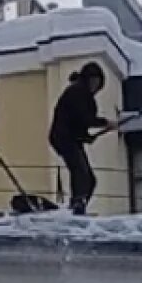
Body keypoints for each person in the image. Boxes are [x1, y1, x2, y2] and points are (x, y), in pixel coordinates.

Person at [49, 62, 112, 215]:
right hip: (64, 138)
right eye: (94, 81)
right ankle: (77, 203)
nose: (96, 86)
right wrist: (104, 122)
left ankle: (78, 204)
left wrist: (87, 137)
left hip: (71, 139)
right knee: (80, 172)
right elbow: (84, 119)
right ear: (88, 79)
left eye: (98, 83)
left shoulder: (81, 94)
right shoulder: (78, 92)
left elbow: (78, 123)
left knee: (88, 178)